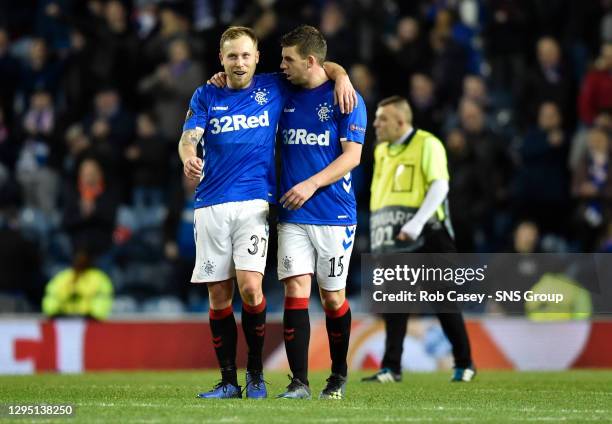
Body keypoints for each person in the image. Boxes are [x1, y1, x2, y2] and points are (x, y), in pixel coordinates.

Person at [179, 26, 356, 399]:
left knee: (251, 286)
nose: (239, 62)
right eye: (232, 56)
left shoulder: (274, 86)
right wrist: (189, 157)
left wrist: (343, 74)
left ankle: (258, 373)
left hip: (257, 202)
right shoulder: (206, 93)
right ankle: (230, 381)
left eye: (246, 55)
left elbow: (317, 66)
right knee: (218, 296)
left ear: (256, 58)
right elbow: (188, 138)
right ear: (221, 58)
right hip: (211, 202)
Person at [272, 25, 366, 400]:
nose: (281, 66)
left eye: (288, 59)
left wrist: (311, 183)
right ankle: (299, 382)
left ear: (311, 61)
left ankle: (339, 375)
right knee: (295, 290)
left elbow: (353, 157)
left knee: (331, 298)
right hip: (294, 213)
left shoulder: (346, 98)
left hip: (334, 215)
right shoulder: (284, 91)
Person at [362, 96, 475, 383]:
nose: (375, 123)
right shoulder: (382, 150)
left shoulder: (428, 143)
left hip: (430, 234)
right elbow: (380, 194)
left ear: (401, 121)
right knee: (395, 302)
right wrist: (379, 234)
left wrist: (416, 223)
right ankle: (391, 368)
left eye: (382, 118)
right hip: (394, 237)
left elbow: (439, 186)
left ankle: (464, 364)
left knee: (443, 301)